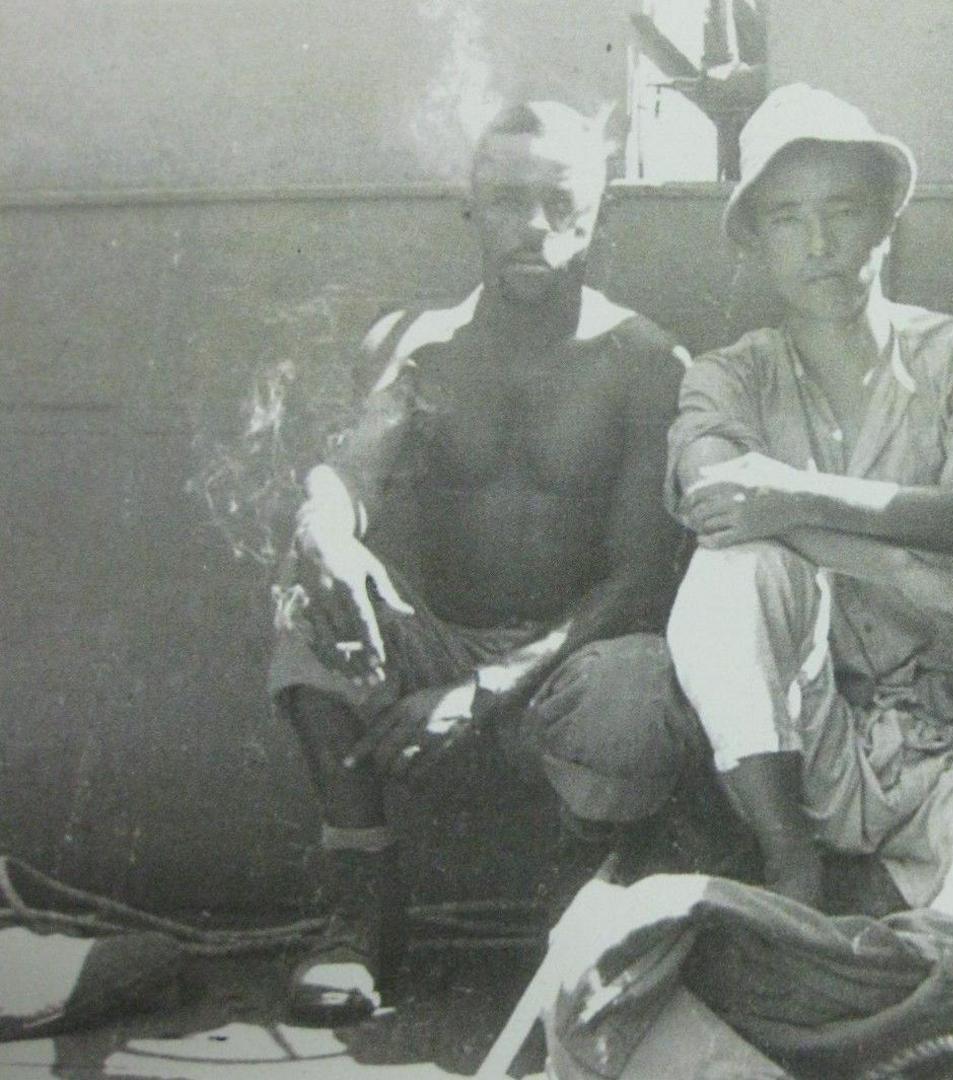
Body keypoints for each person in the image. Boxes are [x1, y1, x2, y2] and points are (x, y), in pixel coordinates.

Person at [270, 100, 693, 1025]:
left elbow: (637, 582)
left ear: (598, 209)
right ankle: (362, 913)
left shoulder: (644, 360)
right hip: (438, 648)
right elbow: (352, 471)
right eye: (506, 201)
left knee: (642, 681)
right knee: (313, 603)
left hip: (570, 663)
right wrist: (325, 528)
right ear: (471, 208)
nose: (532, 228)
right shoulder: (412, 345)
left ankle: (578, 902)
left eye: (559, 201)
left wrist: (480, 693)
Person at [664, 84, 953, 938]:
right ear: (756, 243)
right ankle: (791, 863)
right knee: (733, 564)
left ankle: (920, 970)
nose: (819, 246)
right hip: (803, 748)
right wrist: (890, 564)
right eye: (786, 219)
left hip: (951, 738)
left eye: (843, 211)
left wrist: (794, 497)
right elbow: (716, 497)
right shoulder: (730, 374)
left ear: (887, 218)